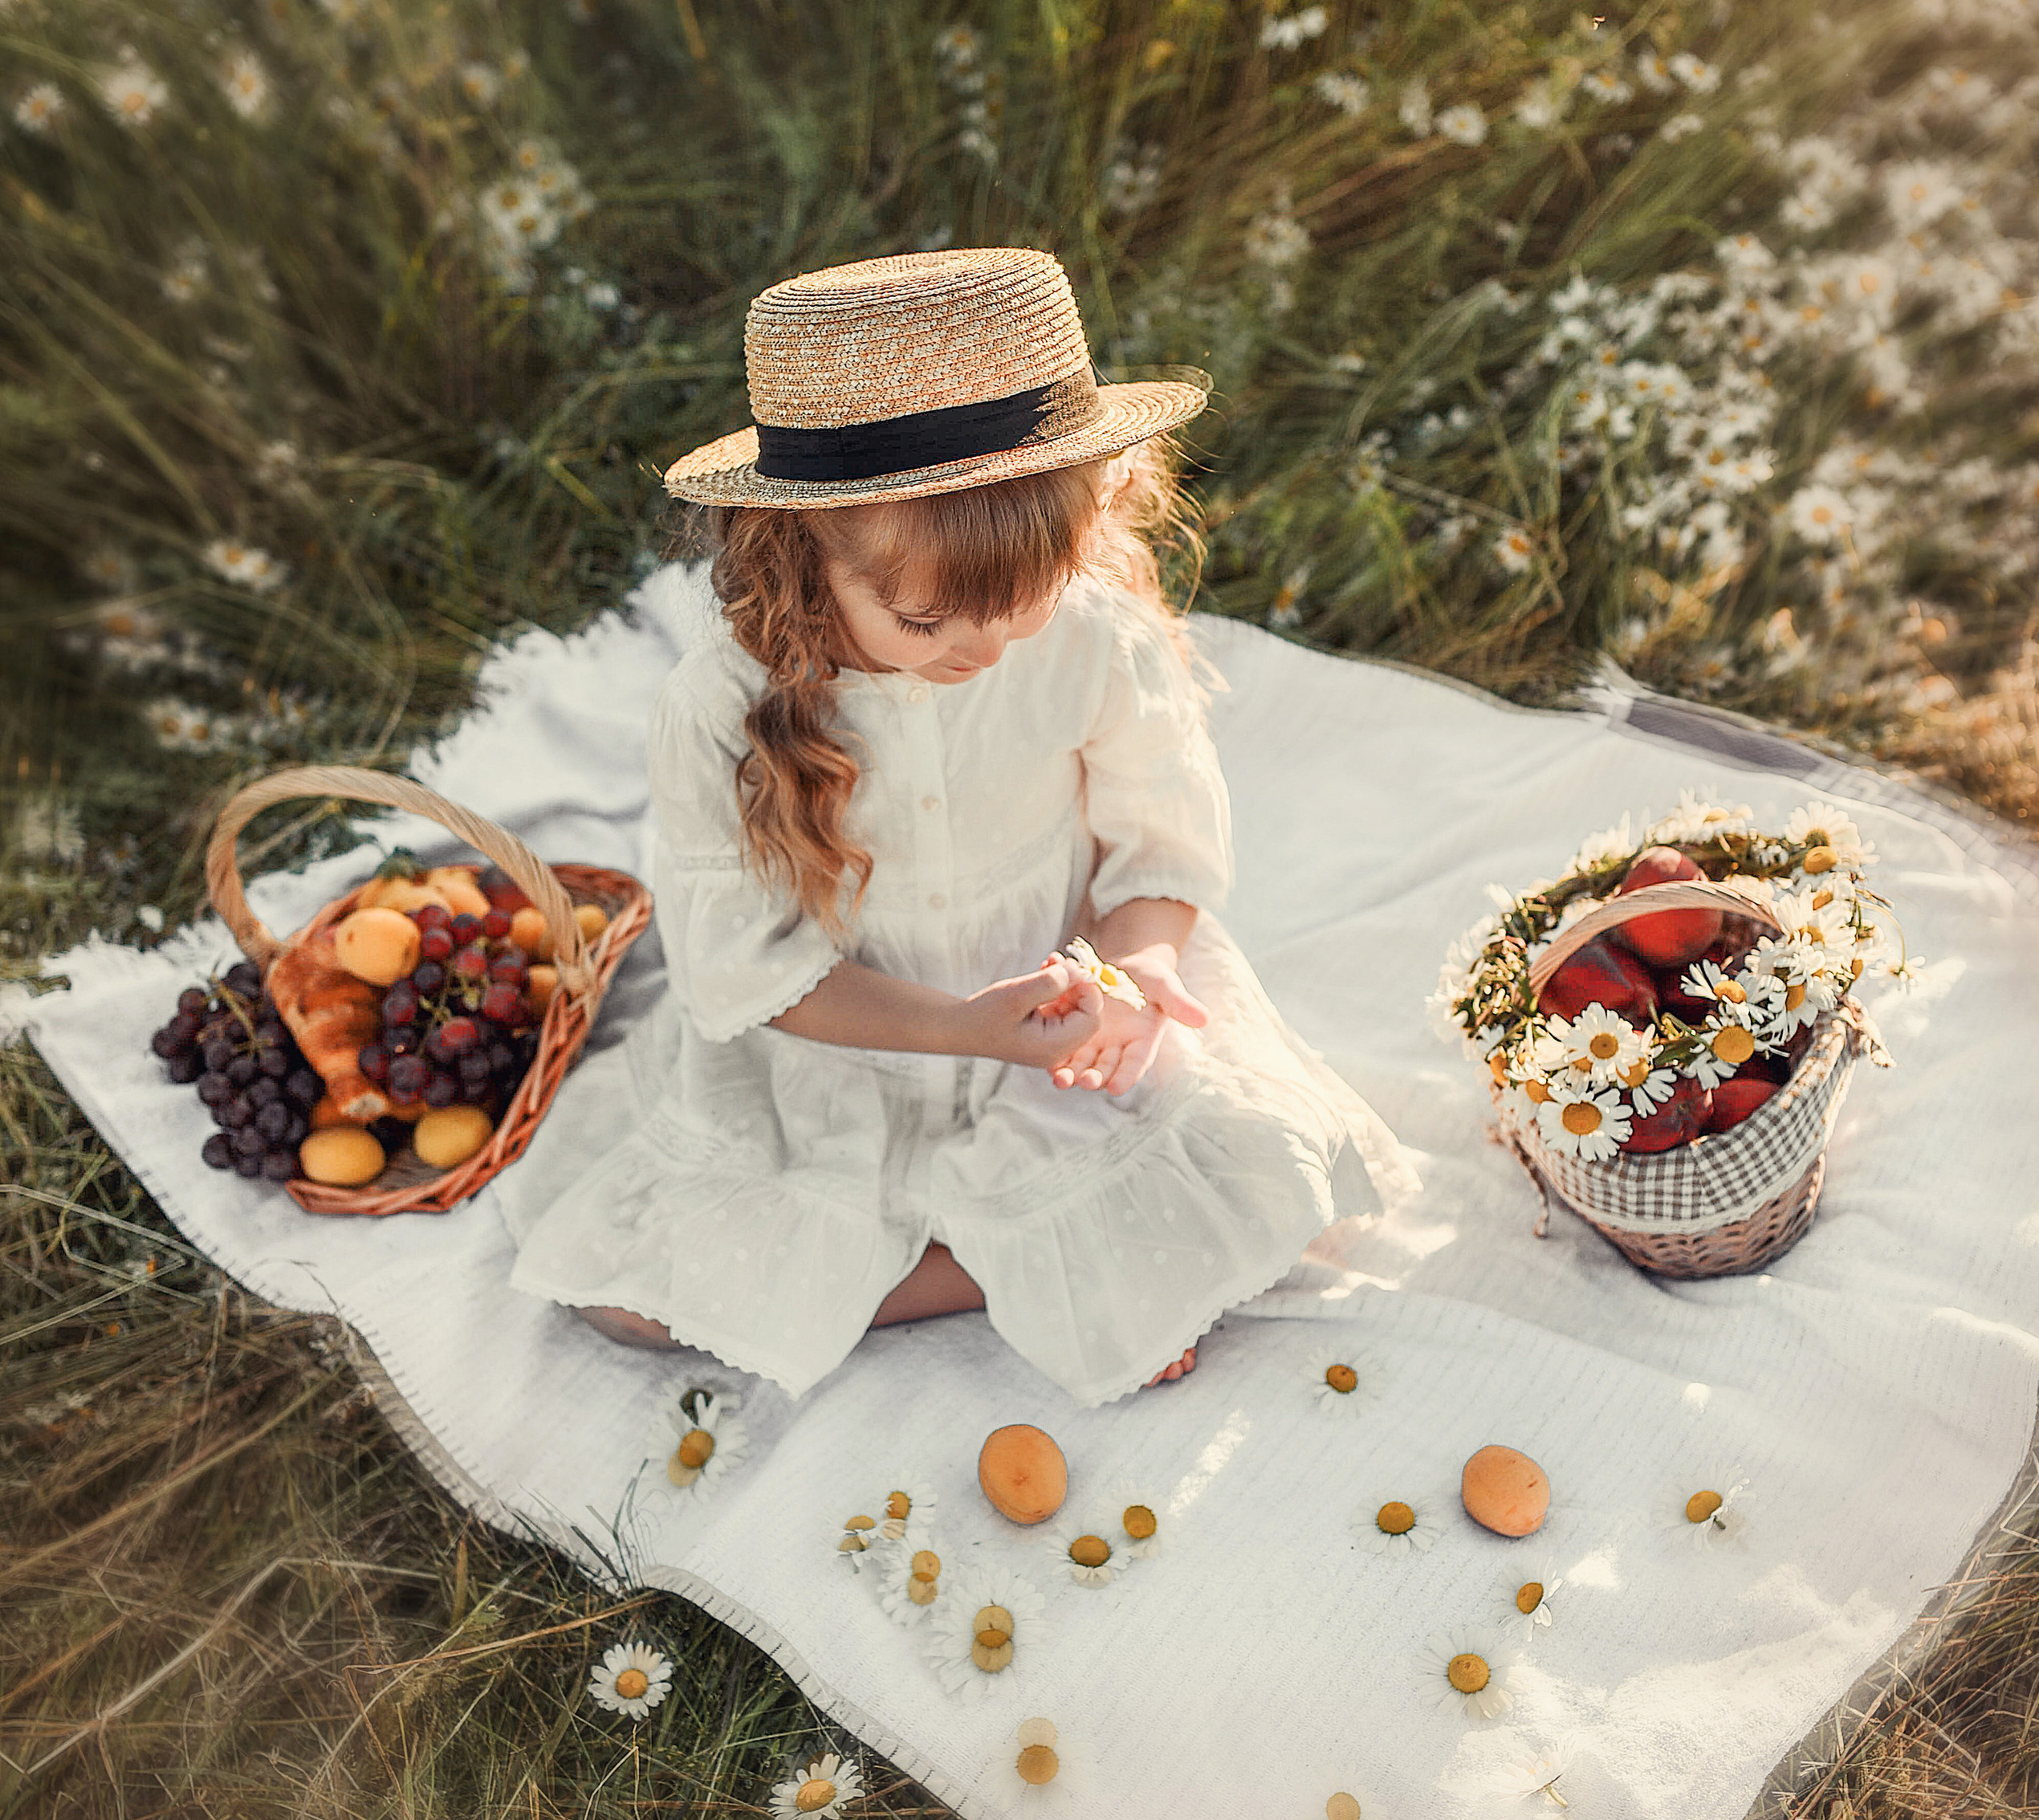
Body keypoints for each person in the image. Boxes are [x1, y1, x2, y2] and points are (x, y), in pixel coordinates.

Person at [500, 246, 1412, 1404]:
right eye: (929, 620)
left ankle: (1001, 1251)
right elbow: (753, 974)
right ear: (802, 556)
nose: (982, 656)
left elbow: (1159, 842)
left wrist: (1135, 967)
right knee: (621, 1298)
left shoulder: (1096, 632)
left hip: (1063, 1027)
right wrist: (967, 1030)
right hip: (852, 1051)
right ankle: (998, 1262)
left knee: (1273, 1163)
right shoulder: (721, 708)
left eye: (1021, 613)